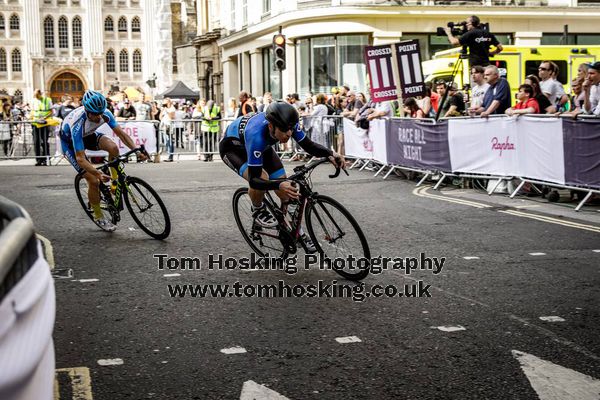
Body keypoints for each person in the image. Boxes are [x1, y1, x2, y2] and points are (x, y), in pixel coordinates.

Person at [219, 102, 345, 250]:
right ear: (271, 126)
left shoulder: (287, 124)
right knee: (263, 177)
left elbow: (308, 145)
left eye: (291, 129)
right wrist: (278, 184)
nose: (289, 134)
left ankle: (296, 232)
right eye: (285, 130)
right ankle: (257, 208)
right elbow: (254, 180)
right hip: (233, 149)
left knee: (287, 193)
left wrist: (331, 154)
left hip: (261, 147)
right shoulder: (256, 135)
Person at [60, 90, 146, 231]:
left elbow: (122, 135)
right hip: (70, 144)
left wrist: (136, 150)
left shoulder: (104, 113)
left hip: (88, 136)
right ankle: (99, 217)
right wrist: (97, 173)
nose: (98, 117)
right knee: (93, 180)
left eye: (100, 113)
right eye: (95, 114)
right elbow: (81, 159)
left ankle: (113, 182)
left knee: (113, 148)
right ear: (87, 111)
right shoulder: (78, 124)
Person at [31, 89, 53, 166]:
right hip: (35, 123)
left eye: (37, 96)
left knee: (44, 142)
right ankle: (38, 159)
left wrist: (44, 117)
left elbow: (51, 111)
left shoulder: (47, 100)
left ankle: (46, 159)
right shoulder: (33, 101)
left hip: (44, 123)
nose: (36, 97)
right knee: (36, 142)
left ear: (40, 94)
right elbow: (32, 112)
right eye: (35, 96)